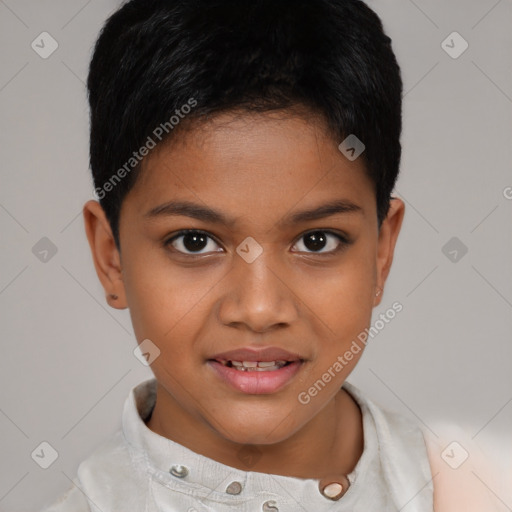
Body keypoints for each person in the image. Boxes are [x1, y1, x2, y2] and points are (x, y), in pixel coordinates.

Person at [41, 0, 505, 510]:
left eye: (316, 241)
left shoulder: (475, 488)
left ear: (381, 252)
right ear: (112, 258)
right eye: (194, 241)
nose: (259, 310)